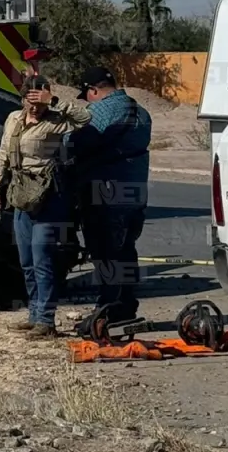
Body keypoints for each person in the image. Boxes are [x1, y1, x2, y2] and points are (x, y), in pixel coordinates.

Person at [0, 75, 92, 338]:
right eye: (30, 101)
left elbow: (84, 119)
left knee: (43, 258)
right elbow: (2, 157)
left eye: (40, 102)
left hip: (48, 197)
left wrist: (54, 101)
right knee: (26, 260)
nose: (35, 108)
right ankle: (34, 314)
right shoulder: (13, 119)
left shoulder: (55, 122)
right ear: (22, 99)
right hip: (21, 195)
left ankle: (46, 319)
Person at [68, 66, 152, 324]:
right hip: (135, 195)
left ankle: (106, 310)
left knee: (104, 253)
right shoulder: (143, 112)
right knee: (127, 251)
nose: (88, 100)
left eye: (88, 95)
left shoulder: (100, 111)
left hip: (104, 194)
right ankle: (126, 307)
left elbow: (75, 143)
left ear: (94, 90)